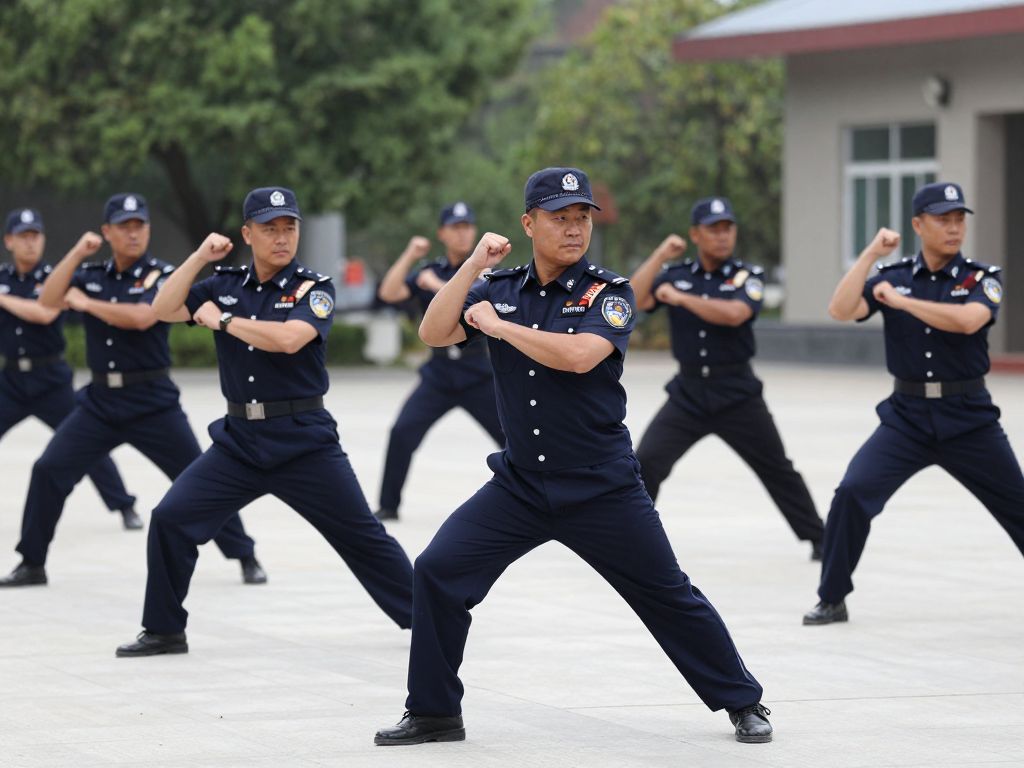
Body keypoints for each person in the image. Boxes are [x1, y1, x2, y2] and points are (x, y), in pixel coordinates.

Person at [374, 168, 772, 746]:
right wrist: (471, 269)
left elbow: (582, 355)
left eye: (581, 216)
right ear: (529, 223)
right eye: (559, 217)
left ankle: (744, 701)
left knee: (667, 594)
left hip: (600, 485)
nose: (573, 228)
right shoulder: (498, 286)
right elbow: (435, 333)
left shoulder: (606, 292)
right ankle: (435, 711)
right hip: (520, 486)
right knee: (437, 572)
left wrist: (501, 329)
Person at [115, 187, 414, 657]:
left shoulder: (313, 287)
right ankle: (164, 629)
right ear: (247, 234)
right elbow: (163, 308)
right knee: (171, 519)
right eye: (270, 229)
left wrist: (224, 322)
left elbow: (292, 339)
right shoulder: (223, 282)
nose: (281, 238)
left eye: (289, 228)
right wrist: (197, 258)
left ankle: (428, 616)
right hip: (239, 441)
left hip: (303, 439)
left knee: (362, 535)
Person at [0, 194, 264, 588]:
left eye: (139, 225)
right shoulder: (92, 273)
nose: (133, 233)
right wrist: (74, 254)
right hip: (100, 401)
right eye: (124, 226)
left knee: (200, 477)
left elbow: (144, 317)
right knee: (49, 469)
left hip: (152, 400)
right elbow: (49, 299)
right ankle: (32, 561)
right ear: (107, 232)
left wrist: (88, 304)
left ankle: (244, 554)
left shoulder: (159, 275)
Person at [803, 182, 1024, 625]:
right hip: (906, 418)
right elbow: (840, 310)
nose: (954, 227)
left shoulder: (980, 278)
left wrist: (902, 303)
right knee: (852, 493)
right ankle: (832, 597)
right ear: (918, 225)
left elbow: (968, 322)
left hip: (969, 418)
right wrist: (870, 256)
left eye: (960, 219)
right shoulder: (893, 275)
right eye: (944, 219)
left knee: (1017, 506)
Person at [630, 197, 825, 560]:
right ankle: (633, 539)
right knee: (647, 463)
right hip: (688, 392)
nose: (722, 236)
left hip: (737, 392)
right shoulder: (676, 274)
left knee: (776, 467)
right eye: (713, 229)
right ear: (695, 234)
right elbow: (634, 300)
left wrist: (682, 299)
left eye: (727, 228)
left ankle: (819, 537)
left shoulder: (746, 276)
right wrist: (659, 256)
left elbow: (736, 313)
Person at [0, 208, 140, 530]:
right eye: (23, 236)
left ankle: (123, 505)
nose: (30, 243)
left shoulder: (54, 277)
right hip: (10, 381)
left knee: (86, 443)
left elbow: (44, 313)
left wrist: (3, 299)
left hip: (50, 380)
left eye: (35, 236)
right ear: (9, 241)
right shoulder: (4, 279)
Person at [374, 202, 504, 521]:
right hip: (439, 374)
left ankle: (541, 497)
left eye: (467, 227)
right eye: (456, 227)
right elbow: (389, 293)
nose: (463, 233)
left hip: (479, 373)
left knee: (515, 437)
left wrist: (433, 286)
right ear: (442, 233)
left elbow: (474, 294)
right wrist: (410, 255)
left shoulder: (484, 269)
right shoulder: (431, 268)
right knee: (402, 432)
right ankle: (388, 506)